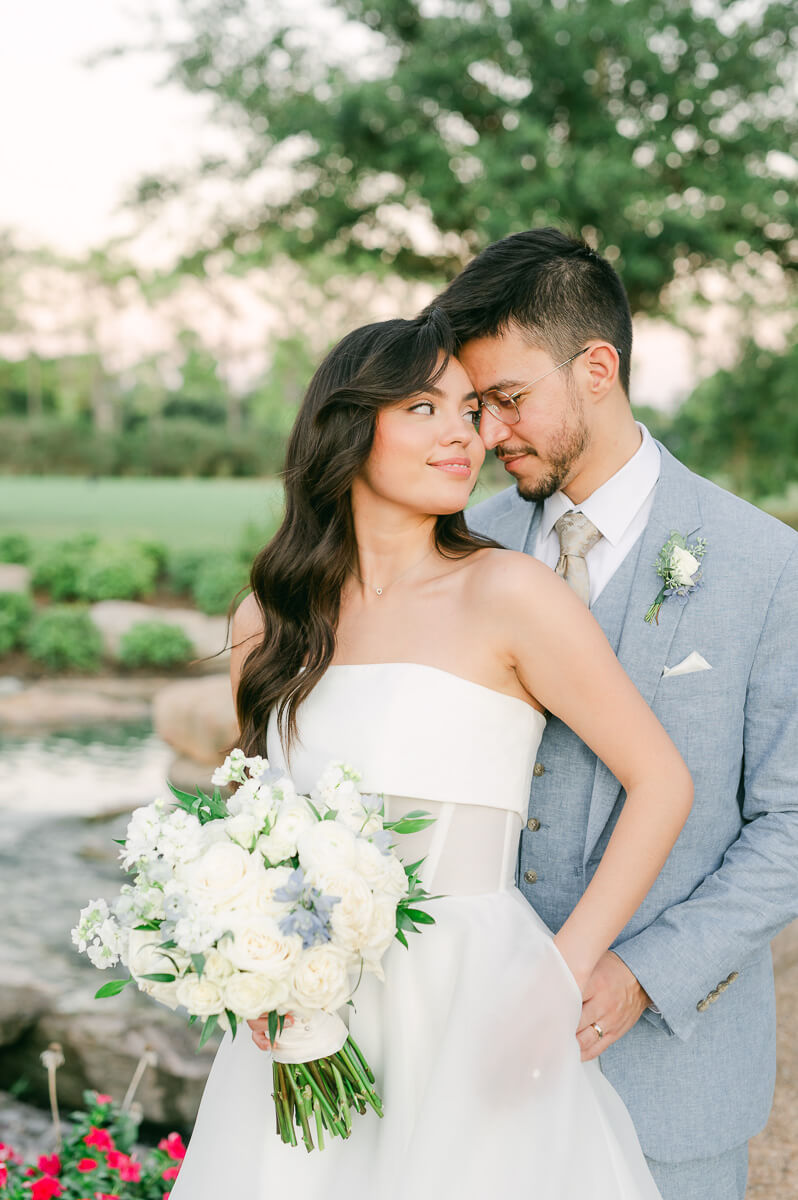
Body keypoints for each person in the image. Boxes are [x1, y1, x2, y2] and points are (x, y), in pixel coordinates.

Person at [170, 311, 691, 1199]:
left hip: (475, 995)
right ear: (347, 427)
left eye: (473, 409)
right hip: (316, 1007)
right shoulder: (267, 621)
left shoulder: (508, 593)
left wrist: (557, 978)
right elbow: (257, 824)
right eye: (424, 406)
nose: (467, 433)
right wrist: (249, 972)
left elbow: (662, 782)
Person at [428, 227, 798, 1200]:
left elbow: (792, 824)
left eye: (508, 399)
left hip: (671, 1072)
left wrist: (643, 972)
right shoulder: (462, 550)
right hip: (475, 1055)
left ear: (598, 367)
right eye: (475, 406)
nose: (488, 434)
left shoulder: (766, 567)